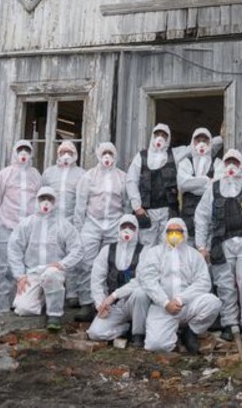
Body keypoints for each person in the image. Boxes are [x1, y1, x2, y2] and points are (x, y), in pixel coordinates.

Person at [194, 148, 242, 342]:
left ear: (241, 165)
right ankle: (230, 324)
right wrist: (201, 246)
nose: (231, 167)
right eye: (228, 162)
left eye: (235, 163)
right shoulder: (213, 188)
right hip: (221, 242)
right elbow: (201, 217)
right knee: (224, 286)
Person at [138, 218, 221, 353]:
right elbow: (148, 281)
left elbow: (203, 282)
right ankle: (171, 334)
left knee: (213, 303)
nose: (174, 234)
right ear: (165, 233)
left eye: (178, 231)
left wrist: (181, 299)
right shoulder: (154, 253)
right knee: (156, 345)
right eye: (170, 231)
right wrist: (165, 302)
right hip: (162, 307)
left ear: (185, 233)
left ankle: (190, 331)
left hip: (187, 305)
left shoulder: (194, 255)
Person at [8, 186, 83, 331]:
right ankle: (43, 297)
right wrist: (20, 275)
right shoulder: (27, 224)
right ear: (37, 201)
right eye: (43, 199)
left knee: (51, 275)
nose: (46, 203)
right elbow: (14, 249)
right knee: (23, 309)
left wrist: (62, 264)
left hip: (53, 271)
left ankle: (54, 315)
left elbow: (77, 248)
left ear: (55, 202)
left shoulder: (63, 224)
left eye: (50, 199)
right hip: (32, 272)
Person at [73, 141, 128, 320]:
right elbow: (80, 204)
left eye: (110, 154)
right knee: (86, 263)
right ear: (98, 155)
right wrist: (78, 228)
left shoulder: (122, 177)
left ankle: (109, 301)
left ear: (115, 156)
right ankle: (86, 302)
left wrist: (123, 224)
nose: (107, 157)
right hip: (92, 223)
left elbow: (127, 204)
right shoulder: (89, 177)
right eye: (104, 153)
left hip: (114, 223)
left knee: (112, 263)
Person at [0, 139, 42, 312]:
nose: (23, 154)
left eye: (27, 150)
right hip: (5, 227)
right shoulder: (4, 175)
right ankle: (2, 308)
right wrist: (1, 222)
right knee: (3, 269)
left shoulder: (35, 175)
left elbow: (39, 202)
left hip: (27, 231)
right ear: (15, 152)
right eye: (20, 150)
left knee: (23, 268)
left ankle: (20, 305)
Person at [86, 214, 151, 347]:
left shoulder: (144, 251)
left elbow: (141, 280)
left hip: (134, 303)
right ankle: (126, 328)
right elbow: (96, 279)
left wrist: (114, 295)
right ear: (118, 228)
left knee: (140, 293)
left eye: (132, 227)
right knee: (95, 333)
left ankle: (138, 334)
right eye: (124, 226)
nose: (127, 230)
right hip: (114, 306)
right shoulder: (107, 250)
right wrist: (100, 304)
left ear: (137, 230)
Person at [125, 124, 189, 248]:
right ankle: (146, 268)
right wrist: (137, 207)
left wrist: (221, 137)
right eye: (157, 134)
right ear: (152, 136)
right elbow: (131, 180)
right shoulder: (141, 156)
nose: (160, 138)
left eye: (164, 135)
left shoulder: (173, 155)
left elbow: (193, 148)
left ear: (168, 138)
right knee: (146, 245)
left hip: (168, 210)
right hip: (147, 211)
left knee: (168, 245)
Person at [41, 141, 87, 306]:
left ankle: (72, 293)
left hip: (71, 220)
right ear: (58, 154)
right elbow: (42, 196)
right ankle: (49, 293)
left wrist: (79, 223)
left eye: (70, 152)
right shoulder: (48, 173)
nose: (66, 155)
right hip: (51, 220)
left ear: (75, 154)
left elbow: (82, 200)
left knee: (73, 256)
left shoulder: (82, 174)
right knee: (51, 254)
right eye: (63, 152)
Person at [177, 127, 224, 247]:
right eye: (198, 140)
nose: (201, 144)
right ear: (193, 142)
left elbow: (218, 186)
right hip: (188, 216)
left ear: (210, 143)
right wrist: (206, 180)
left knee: (208, 252)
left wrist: (193, 185)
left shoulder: (218, 162)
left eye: (205, 140)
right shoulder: (186, 162)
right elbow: (182, 184)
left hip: (211, 216)